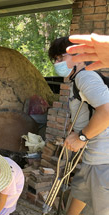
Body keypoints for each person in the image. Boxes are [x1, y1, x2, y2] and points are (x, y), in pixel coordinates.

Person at [49, 36, 109, 215]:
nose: (58, 63)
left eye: (61, 57)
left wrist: (82, 136)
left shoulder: (84, 77)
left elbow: (106, 111)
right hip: (93, 160)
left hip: (103, 163)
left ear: (79, 56)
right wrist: (76, 130)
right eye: (56, 60)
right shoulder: (79, 79)